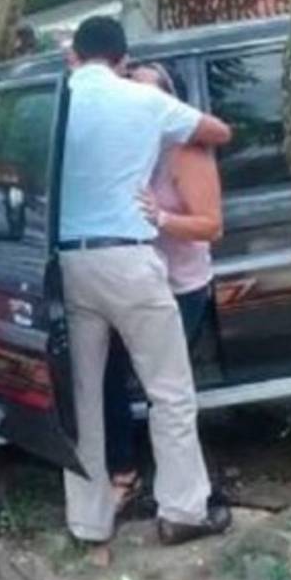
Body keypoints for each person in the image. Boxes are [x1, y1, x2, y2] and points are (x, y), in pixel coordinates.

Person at [58, 16, 233, 554]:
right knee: (169, 392)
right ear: (123, 59)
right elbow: (219, 132)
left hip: (68, 264)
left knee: (82, 400)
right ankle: (183, 511)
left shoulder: (55, 101)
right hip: (129, 259)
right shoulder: (143, 100)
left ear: (74, 56)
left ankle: (88, 523)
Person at [103, 63, 223, 508]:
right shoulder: (121, 152)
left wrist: (162, 218)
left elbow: (211, 226)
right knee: (106, 374)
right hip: (130, 282)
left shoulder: (185, 151)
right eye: (129, 93)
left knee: (164, 388)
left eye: (148, 94)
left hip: (178, 286)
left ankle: (183, 495)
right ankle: (124, 471)